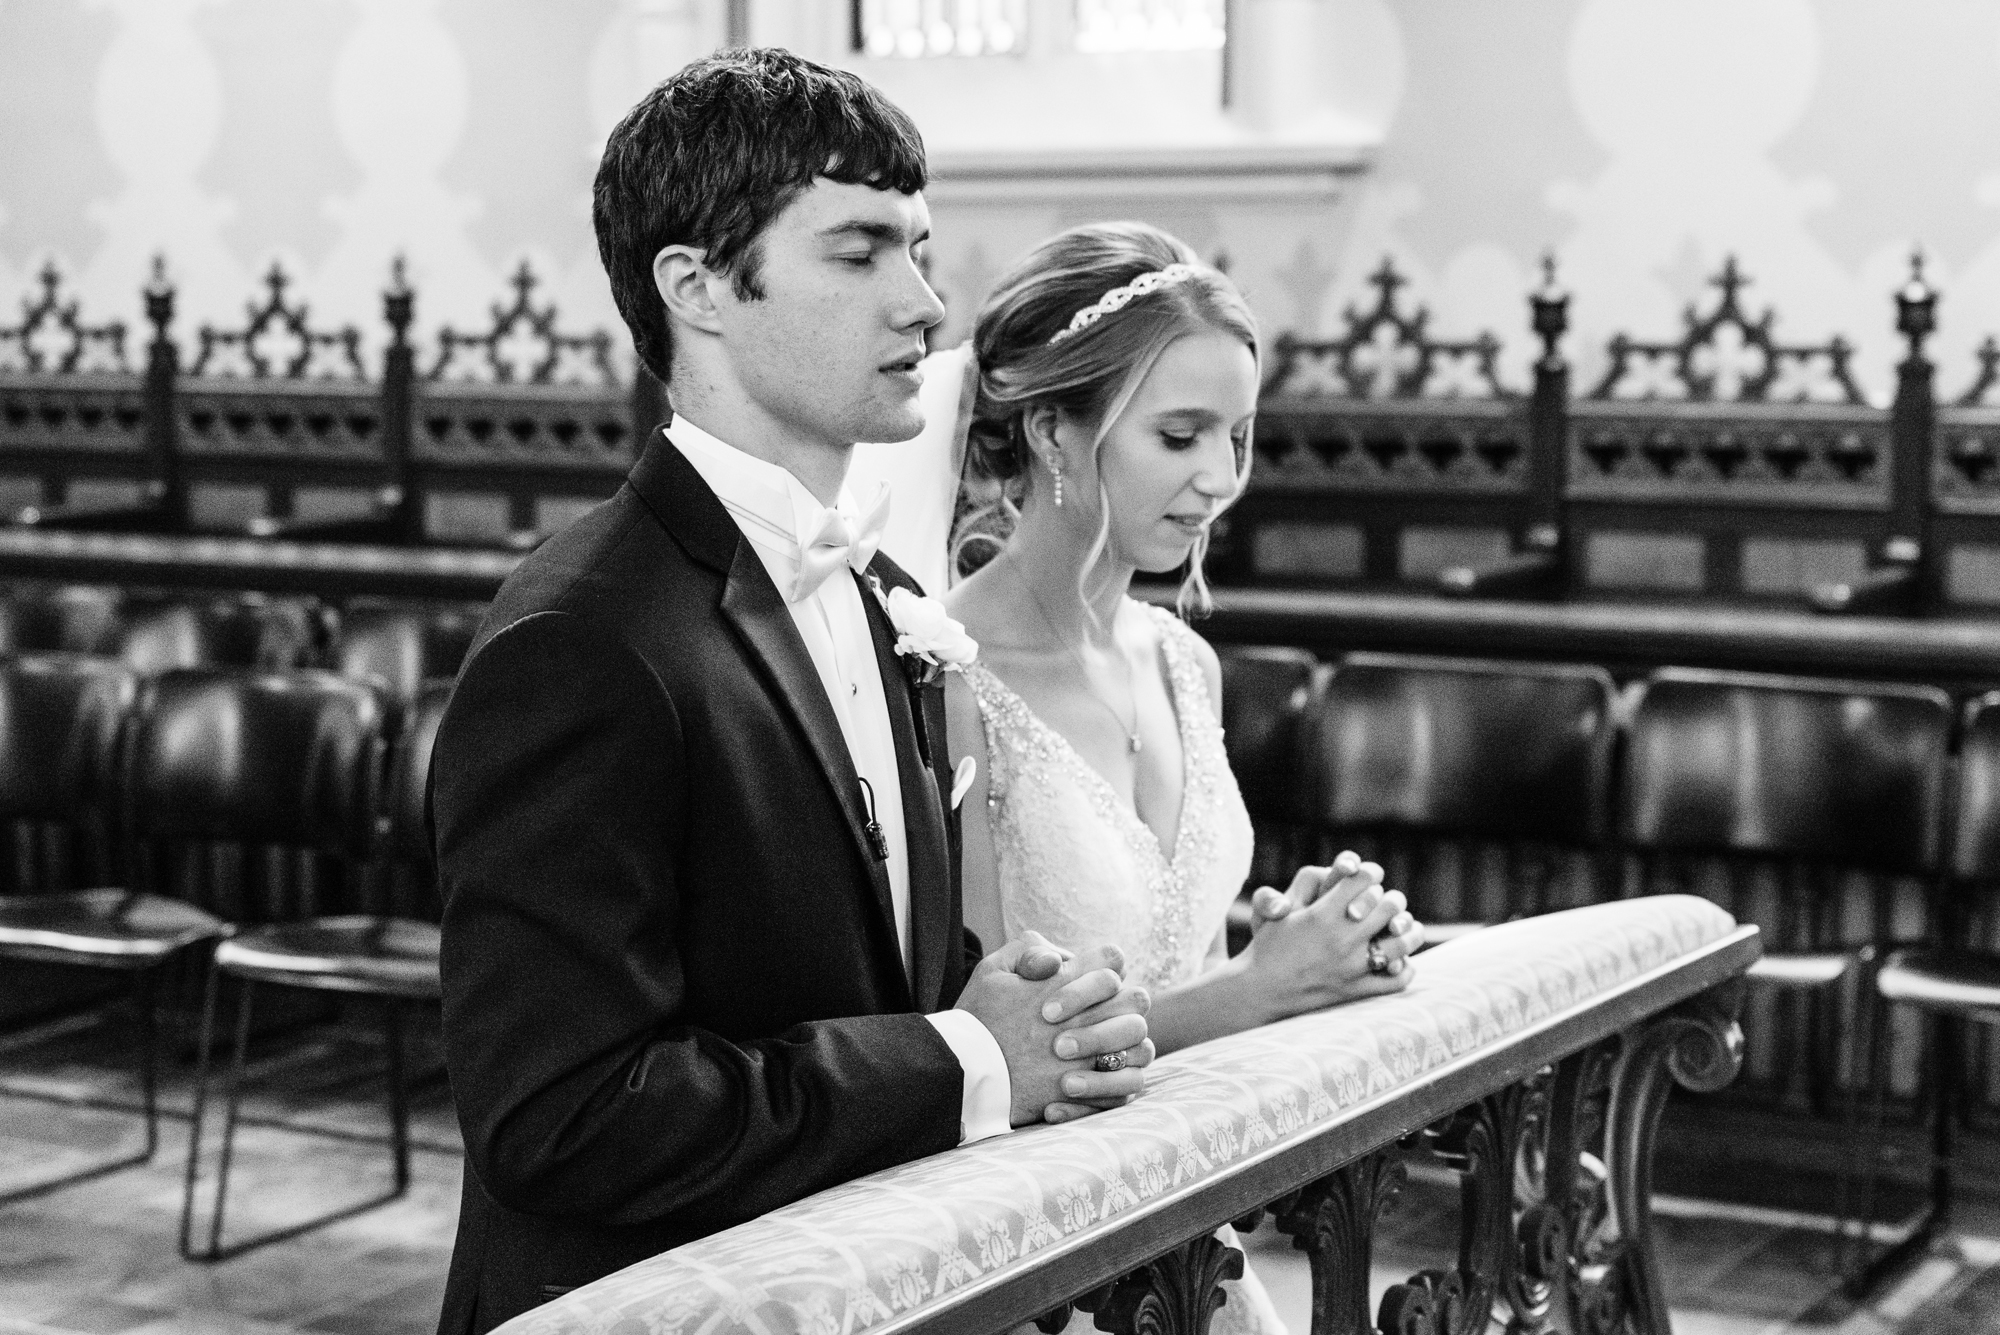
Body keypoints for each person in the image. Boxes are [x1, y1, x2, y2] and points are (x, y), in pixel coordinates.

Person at [428, 52, 1153, 1335]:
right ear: (696, 288)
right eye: (860, 251)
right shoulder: (584, 638)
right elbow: (561, 1117)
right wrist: (969, 1058)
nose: (927, 306)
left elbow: (863, 967)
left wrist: (1033, 1014)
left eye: (920, 250)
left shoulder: (878, 593)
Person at [938, 223, 1431, 1333]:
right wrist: (1261, 987)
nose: (1218, 478)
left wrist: (1315, 952)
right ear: (1053, 430)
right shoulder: (950, 684)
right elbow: (989, 1049)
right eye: (1178, 434)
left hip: (1192, 1234)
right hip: (1038, 1259)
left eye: (1239, 436)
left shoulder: (1181, 663)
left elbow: (1187, 966)